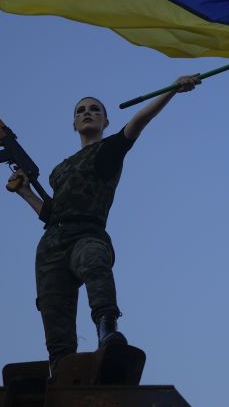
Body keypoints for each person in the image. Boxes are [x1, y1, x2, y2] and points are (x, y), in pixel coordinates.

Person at [11, 75, 200, 371]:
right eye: (81, 110)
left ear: (106, 121)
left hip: (88, 232)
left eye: (95, 109)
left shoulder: (109, 149)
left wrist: (173, 90)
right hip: (51, 244)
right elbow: (52, 214)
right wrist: (25, 193)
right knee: (52, 306)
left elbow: (139, 120)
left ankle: (106, 329)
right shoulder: (59, 170)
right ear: (74, 124)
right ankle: (61, 368)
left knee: (94, 261)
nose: (87, 113)